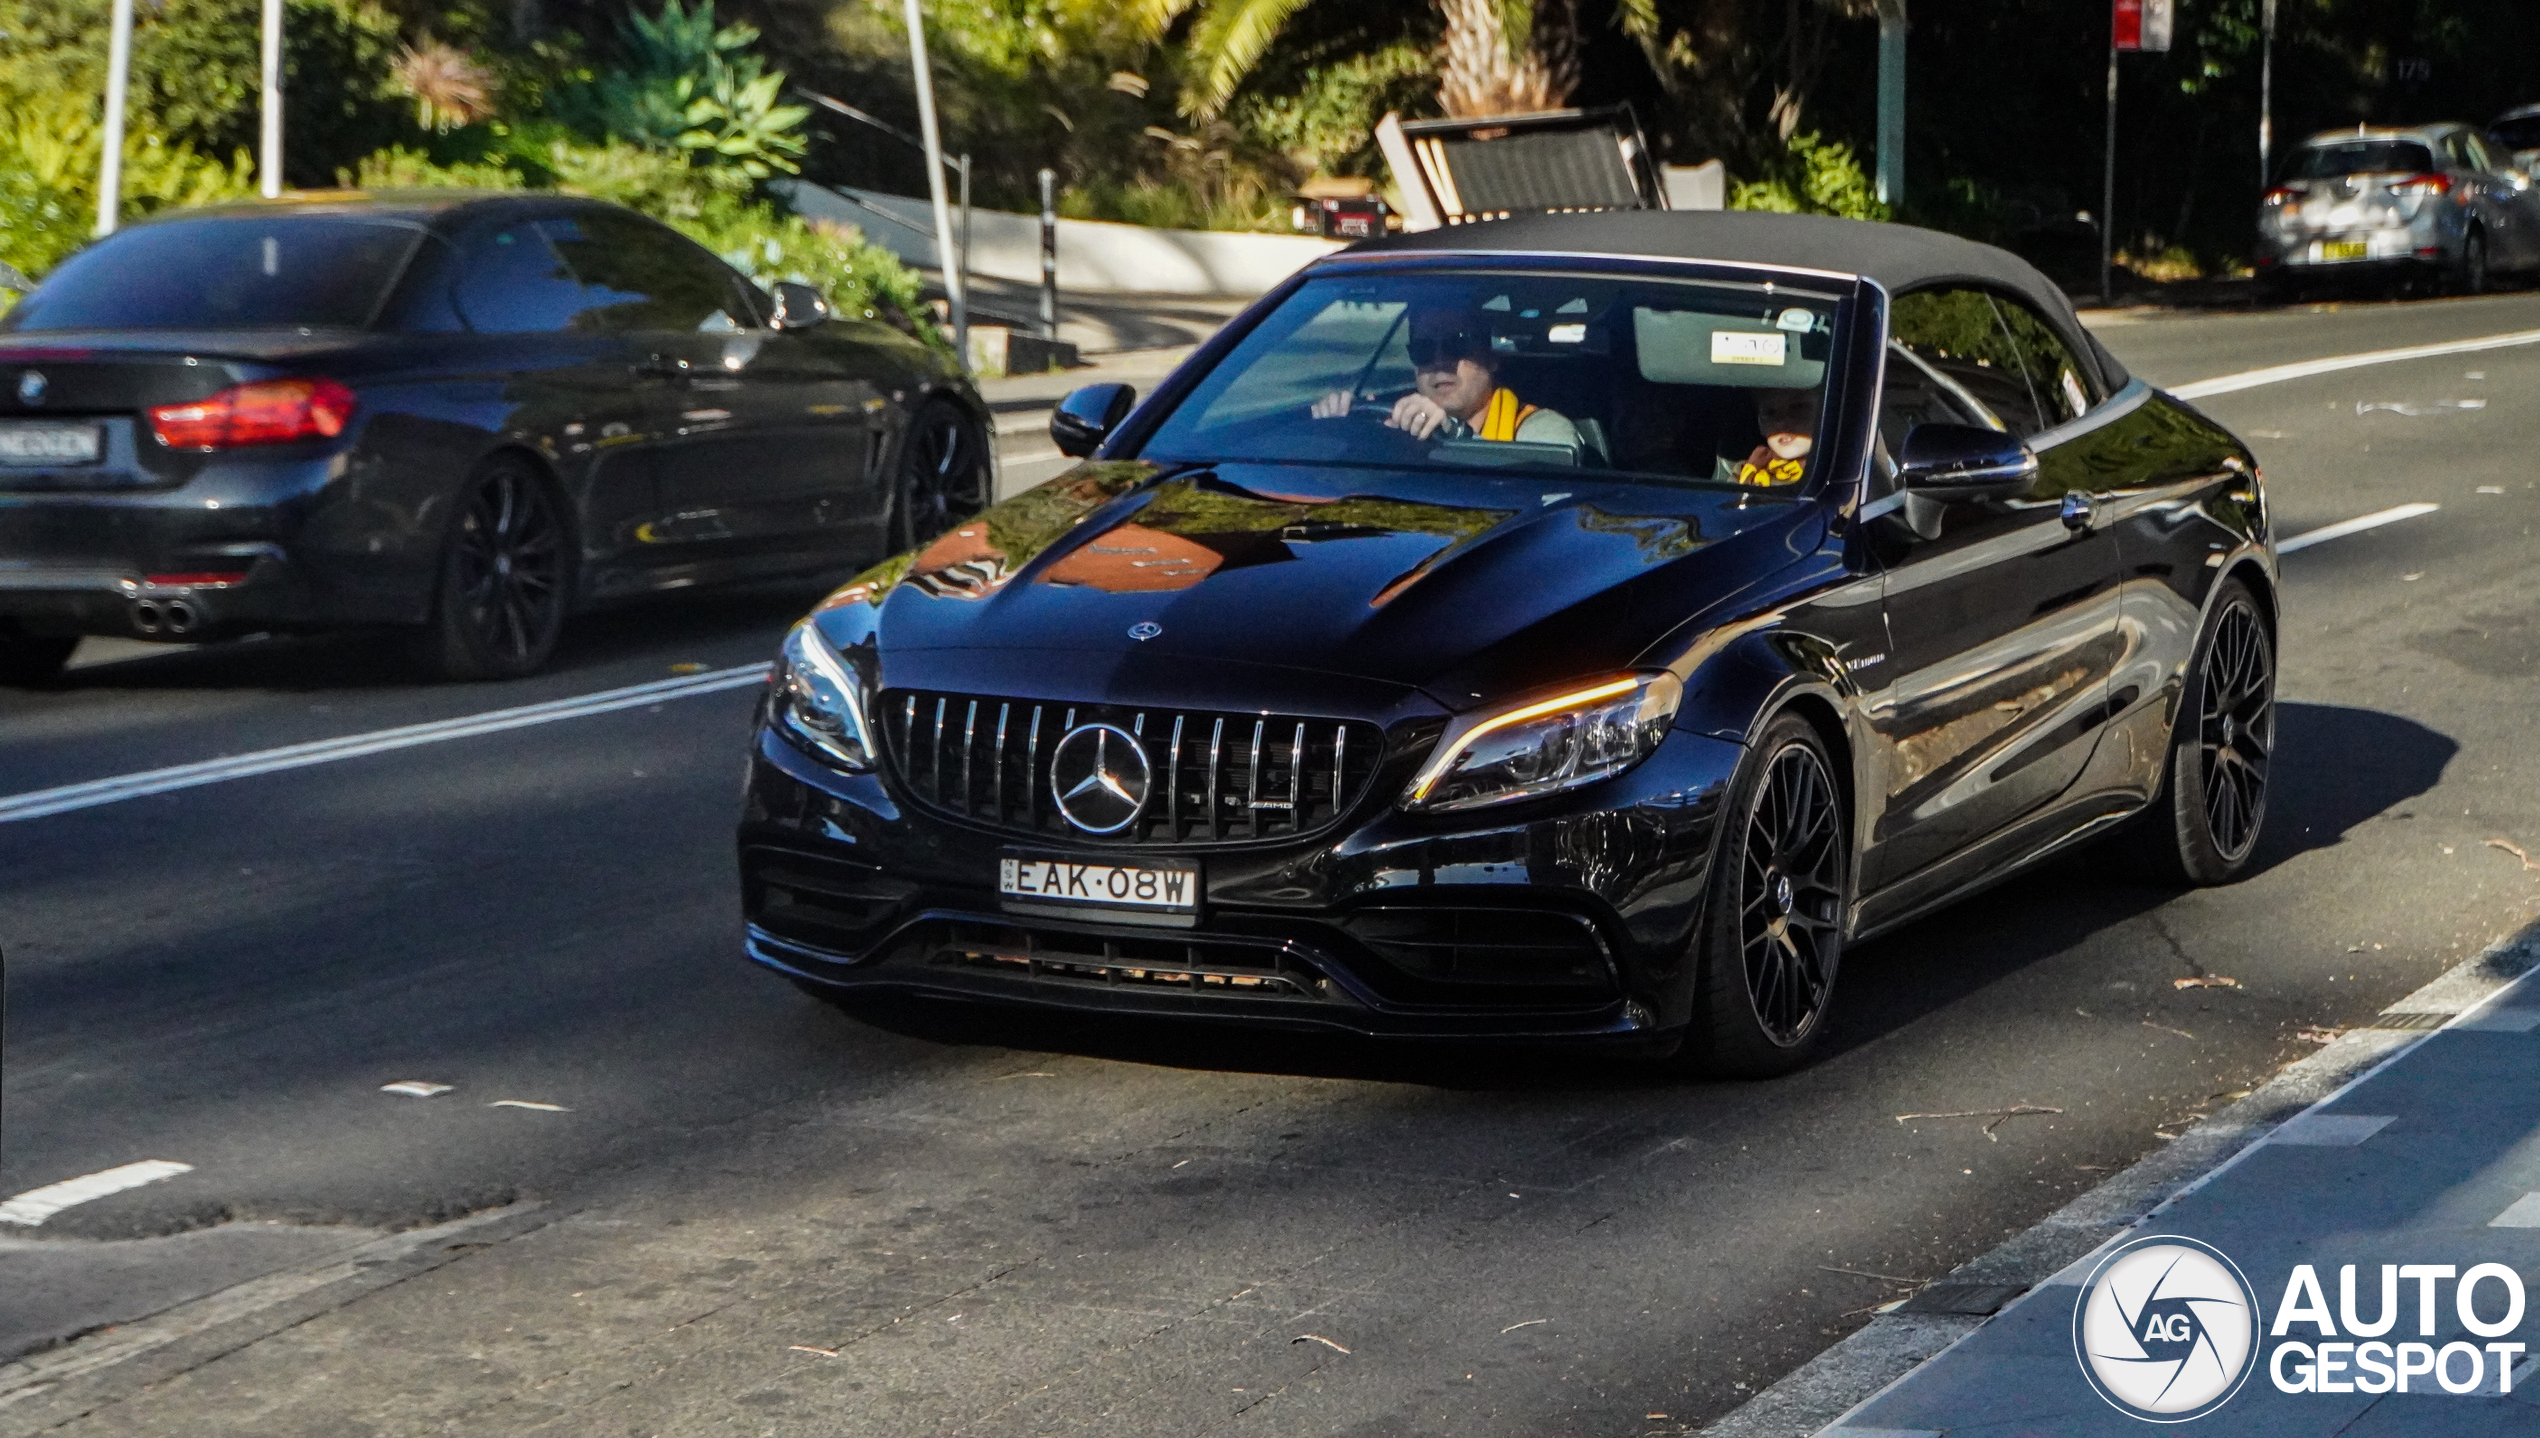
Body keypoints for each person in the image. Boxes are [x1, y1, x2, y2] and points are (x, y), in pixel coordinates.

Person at [1311, 305, 1579, 447]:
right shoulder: (1391, 426)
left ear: (1492, 358)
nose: (1439, 361)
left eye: (1457, 344)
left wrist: (1454, 436)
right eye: (1423, 349)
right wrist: (1338, 435)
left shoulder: (1542, 429)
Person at [1717, 385, 1821, 487]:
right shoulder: (1744, 470)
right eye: (1769, 413)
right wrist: (1750, 473)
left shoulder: (1829, 474)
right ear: (1761, 425)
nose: (1779, 422)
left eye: (1798, 408)